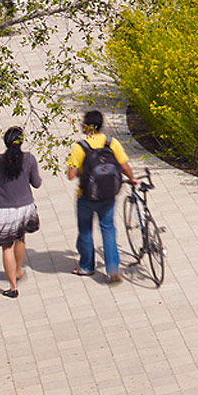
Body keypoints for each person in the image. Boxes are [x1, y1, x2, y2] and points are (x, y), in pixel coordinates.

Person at [64, 109, 134, 284]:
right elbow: (124, 166)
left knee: (86, 230)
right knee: (108, 229)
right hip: (108, 195)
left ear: (86, 126)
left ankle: (86, 266)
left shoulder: (79, 147)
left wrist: (82, 169)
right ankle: (113, 269)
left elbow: (71, 175)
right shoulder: (112, 143)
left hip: (86, 196)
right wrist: (132, 178)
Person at [0, 125, 41, 297]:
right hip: (26, 208)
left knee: (7, 247)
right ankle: (18, 270)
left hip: (5, 210)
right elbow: (37, 183)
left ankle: (12, 287)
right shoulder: (29, 159)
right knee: (20, 238)